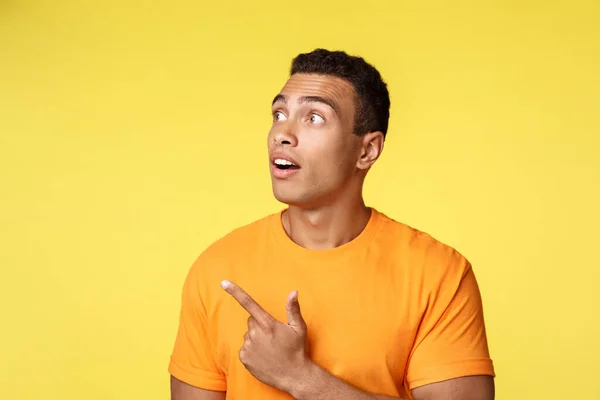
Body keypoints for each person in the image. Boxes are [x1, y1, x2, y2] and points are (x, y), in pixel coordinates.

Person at [168, 49, 495, 400]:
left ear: (367, 151)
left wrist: (300, 377)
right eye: (279, 114)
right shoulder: (217, 268)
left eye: (314, 118)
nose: (283, 133)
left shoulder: (438, 273)